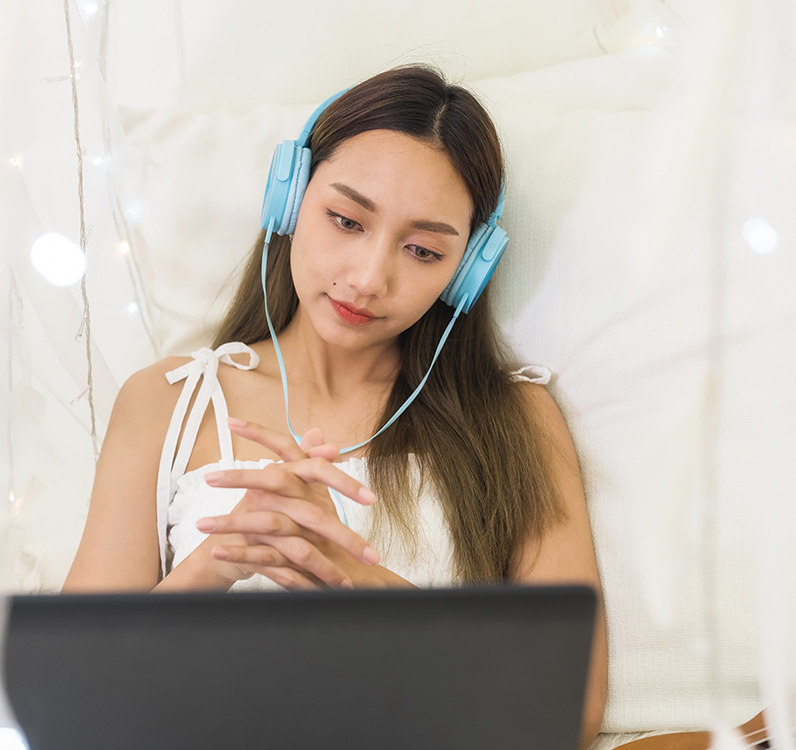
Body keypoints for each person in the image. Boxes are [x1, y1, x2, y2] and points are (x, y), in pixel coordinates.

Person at [62, 64, 607, 747]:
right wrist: (221, 560)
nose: (369, 277)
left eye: (422, 250)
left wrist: (350, 573)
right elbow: (70, 694)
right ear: (288, 201)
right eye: (346, 220)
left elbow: (571, 710)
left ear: (467, 271)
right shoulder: (168, 402)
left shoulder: (515, 419)